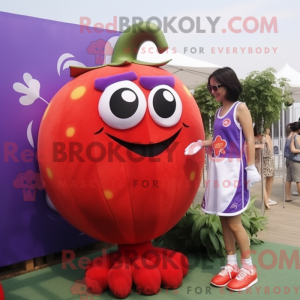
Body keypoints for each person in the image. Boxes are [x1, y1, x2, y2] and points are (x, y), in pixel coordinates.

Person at [184, 67, 261, 291]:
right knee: (223, 219)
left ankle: (249, 268)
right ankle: (231, 265)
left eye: (216, 86)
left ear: (229, 85)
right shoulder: (219, 112)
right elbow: (218, 140)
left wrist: (251, 167)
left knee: (234, 222)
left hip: (234, 171)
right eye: (210, 87)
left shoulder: (241, 108)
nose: (213, 91)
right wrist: (201, 143)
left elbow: (248, 139)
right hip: (218, 171)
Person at [254, 125, 276, 209]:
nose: (269, 130)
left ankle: (267, 199)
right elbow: (248, 146)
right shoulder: (254, 137)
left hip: (268, 160)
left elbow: (270, 150)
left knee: (269, 178)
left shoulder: (267, 137)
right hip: (259, 161)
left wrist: (265, 140)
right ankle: (266, 201)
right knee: (263, 180)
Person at [286, 122, 300, 199]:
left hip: (288, 159)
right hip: (296, 160)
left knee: (288, 178)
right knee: (298, 180)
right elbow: (293, 149)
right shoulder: (297, 137)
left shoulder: (289, 136)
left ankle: (288, 197)